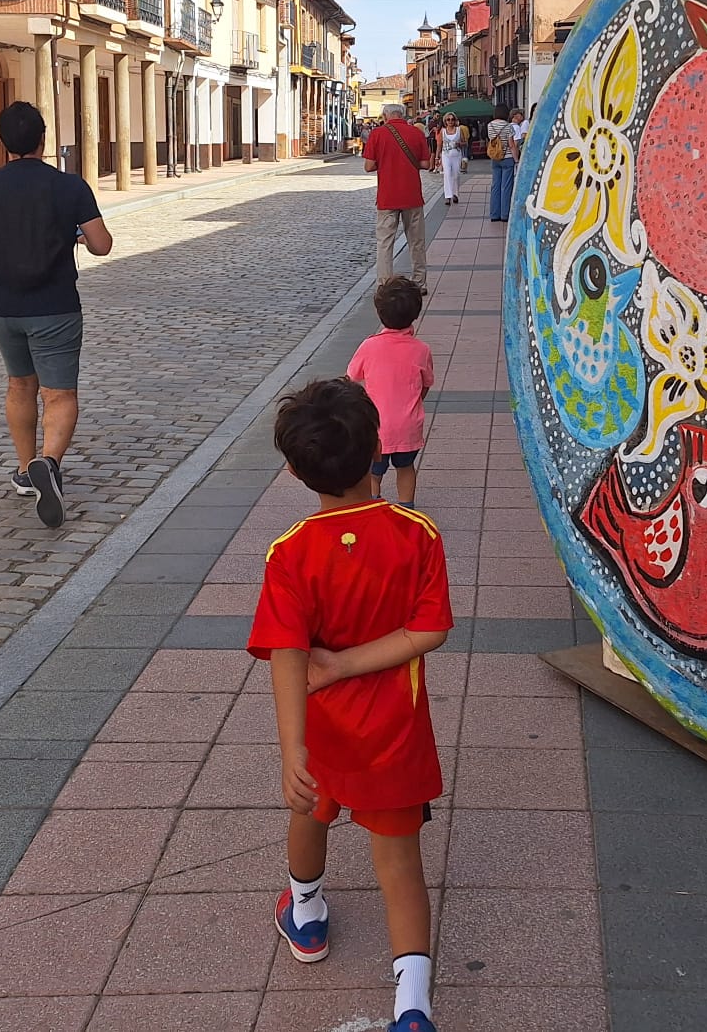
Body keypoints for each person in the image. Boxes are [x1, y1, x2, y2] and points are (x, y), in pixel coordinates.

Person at [253, 378, 451, 1032]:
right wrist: (352, 662)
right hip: (395, 733)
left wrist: (293, 749)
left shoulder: (290, 554)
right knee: (400, 866)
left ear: (292, 469)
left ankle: (305, 913)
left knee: (309, 812)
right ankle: (413, 1005)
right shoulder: (416, 533)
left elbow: (288, 657)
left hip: (325, 734)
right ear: (376, 451)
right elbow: (430, 631)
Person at [0, 101, 113, 529]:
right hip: (56, 308)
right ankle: (49, 463)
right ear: (43, 140)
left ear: (3, 143)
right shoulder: (70, 188)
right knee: (59, 394)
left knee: (19, 385)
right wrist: (79, 238)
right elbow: (102, 244)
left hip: (4, 309)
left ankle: (27, 467)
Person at [347, 277, 433, 506]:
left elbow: (352, 379)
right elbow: (425, 385)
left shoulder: (369, 346)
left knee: (374, 472)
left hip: (376, 427)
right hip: (408, 426)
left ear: (380, 313)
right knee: (405, 467)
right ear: (415, 314)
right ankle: (407, 508)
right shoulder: (421, 350)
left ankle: (373, 505)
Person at [362, 101, 433, 295]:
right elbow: (426, 164)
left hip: (387, 196)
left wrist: (386, 162)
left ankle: (384, 284)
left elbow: (368, 166)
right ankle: (419, 282)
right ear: (402, 115)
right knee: (416, 241)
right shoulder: (416, 133)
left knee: (385, 242)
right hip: (412, 195)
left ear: (386, 116)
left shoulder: (377, 134)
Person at [486, 107, 522, 222]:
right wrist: (516, 160)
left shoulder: (490, 126)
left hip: (495, 158)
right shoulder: (508, 126)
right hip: (507, 158)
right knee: (506, 187)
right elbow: (511, 145)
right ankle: (504, 214)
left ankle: (494, 214)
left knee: (495, 186)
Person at [435, 113, 465, 206]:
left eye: (452, 119)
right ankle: (447, 196)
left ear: (455, 120)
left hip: (456, 155)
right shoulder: (442, 131)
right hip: (446, 155)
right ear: (445, 121)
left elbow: (465, 142)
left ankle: (455, 193)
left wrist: (460, 144)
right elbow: (439, 145)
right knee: (447, 173)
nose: (450, 121)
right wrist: (437, 157)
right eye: (448, 119)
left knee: (456, 174)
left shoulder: (459, 130)